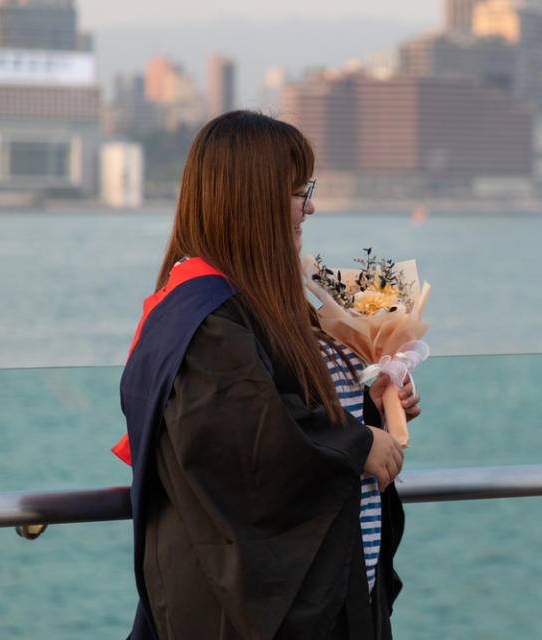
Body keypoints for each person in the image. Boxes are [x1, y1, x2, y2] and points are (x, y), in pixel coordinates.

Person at [118, 110, 418, 639]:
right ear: (251, 201)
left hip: (341, 593)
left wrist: (371, 401)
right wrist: (355, 444)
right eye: (298, 192)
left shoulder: (255, 303)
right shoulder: (204, 317)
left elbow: (287, 414)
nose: (311, 206)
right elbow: (248, 449)